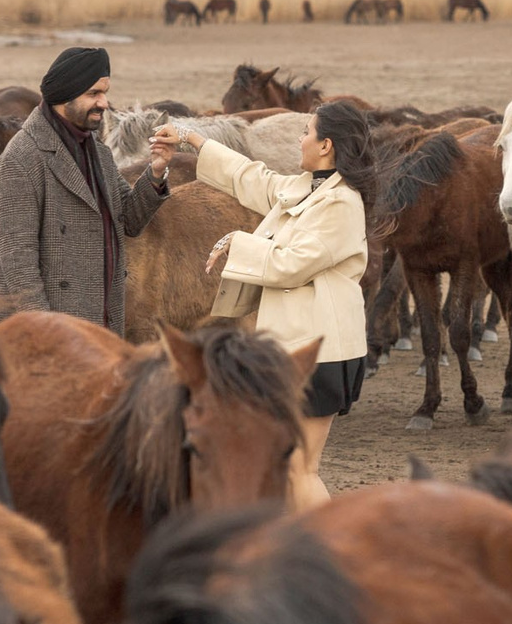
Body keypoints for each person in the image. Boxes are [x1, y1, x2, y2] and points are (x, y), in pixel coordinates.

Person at [151, 98, 373, 509]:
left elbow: (290, 265)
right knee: (288, 467)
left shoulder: (340, 203)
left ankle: (329, 553)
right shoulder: (311, 189)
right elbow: (252, 178)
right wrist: (194, 140)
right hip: (299, 345)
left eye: (307, 132)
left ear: (326, 146)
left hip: (320, 352)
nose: (301, 139)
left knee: (299, 469)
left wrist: (239, 241)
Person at [0, 45, 167, 334]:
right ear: (66, 95)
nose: (105, 103)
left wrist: (156, 171)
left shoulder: (96, 151)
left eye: (105, 92)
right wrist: (48, 330)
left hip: (99, 314)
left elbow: (130, 222)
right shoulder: (21, 158)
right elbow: (16, 260)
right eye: (94, 94)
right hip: (46, 328)